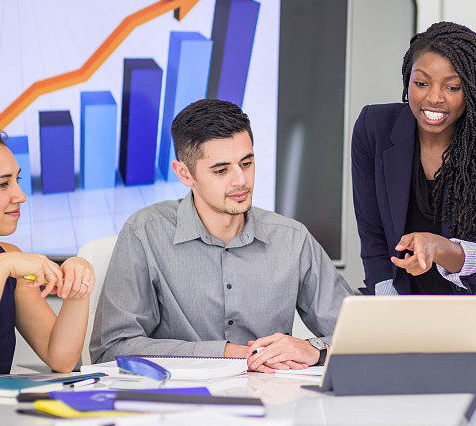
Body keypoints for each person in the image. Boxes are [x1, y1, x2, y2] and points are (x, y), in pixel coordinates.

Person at [90, 99, 352, 372]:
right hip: (177, 404)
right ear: (184, 174)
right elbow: (113, 349)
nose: (240, 180)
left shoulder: (292, 238)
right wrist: (229, 353)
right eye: (221, 170)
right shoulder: (144, 233)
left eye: (246, 163)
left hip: (275, 400)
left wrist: (314, 350)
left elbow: (360, 336)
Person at [351, 21, 476, 331]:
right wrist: (389, 311)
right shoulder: (374, 128)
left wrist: (436, 248)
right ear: (407, 79)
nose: (434, 98)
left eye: (452, 87)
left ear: (473, 90)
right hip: (407, 290)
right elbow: (373, 236)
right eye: (421, 83)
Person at [0, 130, 95, 373]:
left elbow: (61, 359)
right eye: (3, 184)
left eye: (18, 180)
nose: (21, 195)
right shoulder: (6, 263)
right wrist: (1, 266)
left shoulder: (7, 256)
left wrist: (77, 287)